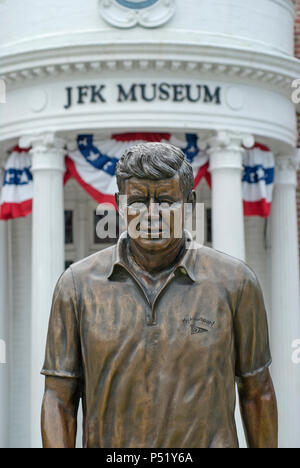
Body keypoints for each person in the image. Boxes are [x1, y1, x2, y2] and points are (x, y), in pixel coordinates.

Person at [41, 142, 278, 448]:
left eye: (166, 201)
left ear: (189, 204)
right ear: (118, 204)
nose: (151, 215)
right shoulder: (76, 286)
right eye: (138, 201)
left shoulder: (236, 283)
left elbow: (258, 393)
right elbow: (58, 399)